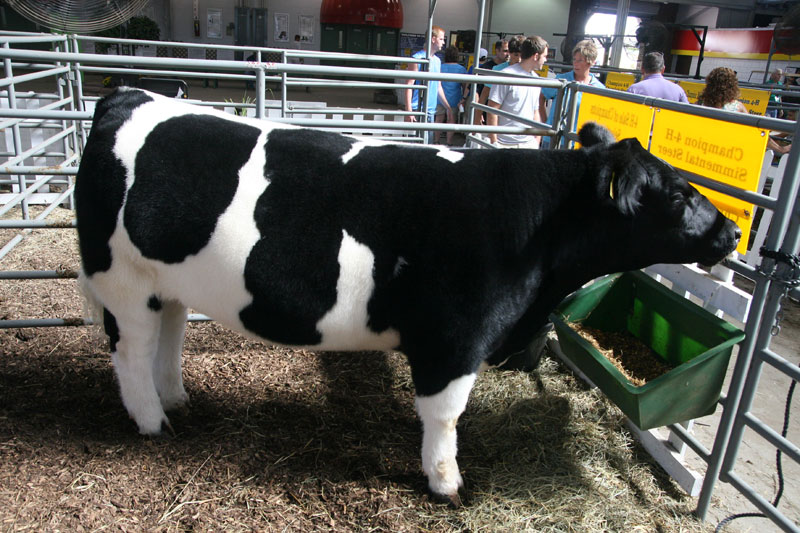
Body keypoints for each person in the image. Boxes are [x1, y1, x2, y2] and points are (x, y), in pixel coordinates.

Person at [699, 67, 790, 155]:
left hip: (701, 149)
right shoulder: (737, 106)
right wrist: (780, 149)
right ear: (733, 86)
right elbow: (756, 131)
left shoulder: (700, 104)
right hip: (726, 152)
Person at [486, 35, 549, 148]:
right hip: (504, 143)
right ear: (535, 56)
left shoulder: (536, 79)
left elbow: (535, 111)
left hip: (528, 144)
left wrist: (536, 140)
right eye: (544, 56)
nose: (546, 60)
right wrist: (494, 142)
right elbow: (492, 109)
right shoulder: (506, 75)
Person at [540, 39, 605, 148]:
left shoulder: (598, 88)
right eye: (574, 59)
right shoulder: (561, 80)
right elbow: (542, 96)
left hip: (579, 142)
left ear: (591, 62)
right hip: (554, 139)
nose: (575, 63)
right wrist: (545, 123)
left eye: (580, 60)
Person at [404, 25, 453, 143]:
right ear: (433, 39)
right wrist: (409, 110)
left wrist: (448, 107)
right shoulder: (417, 58)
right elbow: (409, 85)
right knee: (415, 147)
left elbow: (438, 87)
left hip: (430, 110)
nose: (443, 42)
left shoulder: (437, 61)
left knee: (427, 145)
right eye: (441, 39)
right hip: (417, 109)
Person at [473, 35, 523, 126]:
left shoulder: (527, 72)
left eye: (522, 55)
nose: (519, 59)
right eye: (516, 55)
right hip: (499, 120)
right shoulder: (498, 69)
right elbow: (484, 95)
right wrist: (476, 123)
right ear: (510, 53)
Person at [438, 45, 467, 145]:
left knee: (439, 119)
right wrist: (463, 99)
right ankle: (449, 142)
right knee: (451, 120)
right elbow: (465, 86)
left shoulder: (440, 67)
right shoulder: (461, 69)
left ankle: (435, 141)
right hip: (454, 99)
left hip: (440, 98)